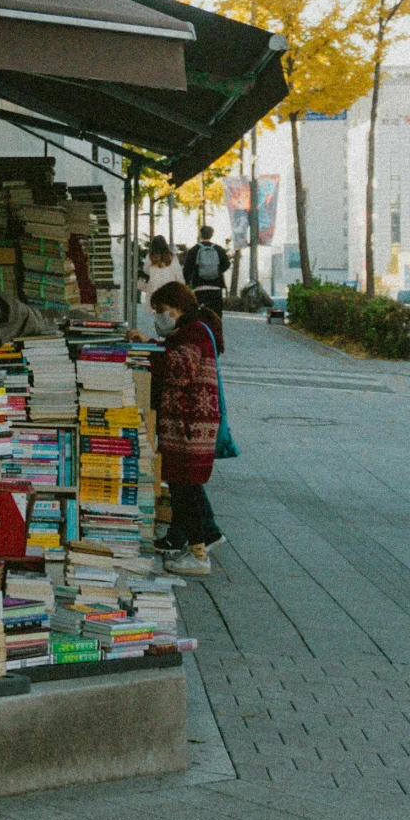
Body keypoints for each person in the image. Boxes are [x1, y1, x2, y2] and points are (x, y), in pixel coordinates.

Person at [149, 281, 222, 575]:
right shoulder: (191, 331)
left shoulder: (193, 333)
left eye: (161, 310)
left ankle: (199, 554)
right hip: (187, 425)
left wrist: (148, 354)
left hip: (189, 426)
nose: (158, 317)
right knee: (184, 487)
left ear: (177, 308)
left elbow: (181, 368)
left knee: (187, 490)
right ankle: (204, 540)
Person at [180, 223, 232, 313]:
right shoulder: (219, 249)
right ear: (212, 235)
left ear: (200, 235)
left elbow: (187, 269)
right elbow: (227, 264)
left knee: (200, 313)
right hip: (216, 286)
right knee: (216, 314)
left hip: (199, 287)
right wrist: (217, 271)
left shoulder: (194, 250)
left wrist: (186, 282)